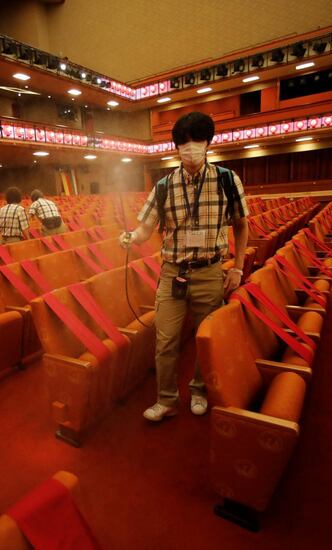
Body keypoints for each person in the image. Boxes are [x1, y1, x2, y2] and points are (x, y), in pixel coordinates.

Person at [120, 111, 249, 422]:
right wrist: (130, 237)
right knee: (165, 340)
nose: (190, 148)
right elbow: (145, 230)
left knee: (205, 338)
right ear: (176, 147)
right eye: (184, 142)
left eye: (197, 141)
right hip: (173, 273)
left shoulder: (226, 180)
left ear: (208, 143)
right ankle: (166, 400)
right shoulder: (164, 186)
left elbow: (242, 226)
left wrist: (237, 268)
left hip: (209, 271)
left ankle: (200, 390)